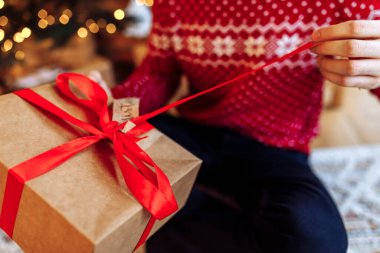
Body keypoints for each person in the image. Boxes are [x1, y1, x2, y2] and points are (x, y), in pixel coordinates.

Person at [112, 1, 380, 252]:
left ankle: (185, 210)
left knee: (316, 238)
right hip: (194, 137)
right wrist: (111, 105)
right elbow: (159, 73)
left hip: (276, 150)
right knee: (110, 150)